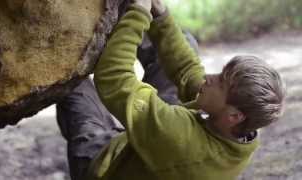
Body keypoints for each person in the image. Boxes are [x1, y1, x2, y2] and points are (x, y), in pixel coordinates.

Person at [57, 0, 285, 179]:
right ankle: (119, 22)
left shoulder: (182, 142)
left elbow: (114, 77)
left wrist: (139, 13)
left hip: (103, 164)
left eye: (221, 82)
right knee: (183, 41)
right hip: (149, 146)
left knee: (71, 83)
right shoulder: (238, 128)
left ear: (234, 116)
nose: (209, 77)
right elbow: (188, 72)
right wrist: (160, 13)